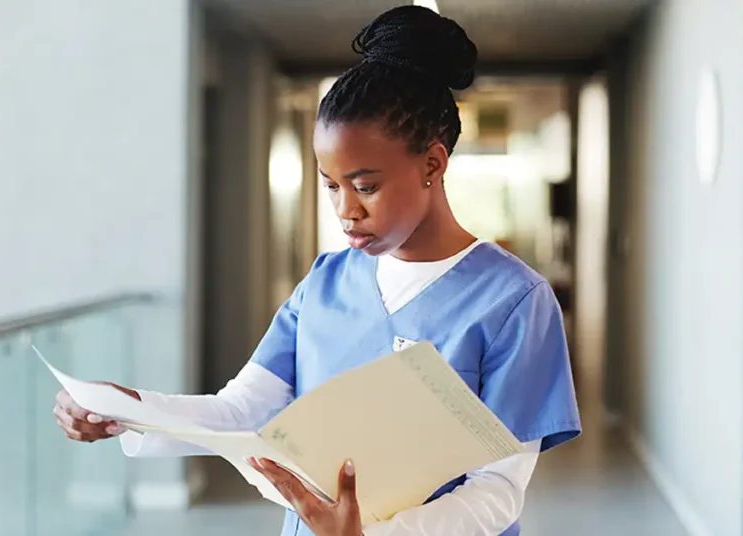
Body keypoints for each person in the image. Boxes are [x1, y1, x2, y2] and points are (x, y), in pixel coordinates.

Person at [53, 5, 581, 536]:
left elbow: (497, 491)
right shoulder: (326, 283)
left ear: (432, 164)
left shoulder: (514, 301)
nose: (346, 210)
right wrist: (126, 410)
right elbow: (242, 410)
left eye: (366, 186)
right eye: (332, 185)